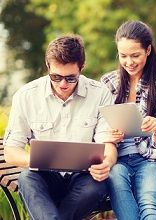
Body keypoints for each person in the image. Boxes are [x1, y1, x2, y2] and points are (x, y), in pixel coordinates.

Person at [3, 35, 117, 220]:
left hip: (84, 176)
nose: (63, 84)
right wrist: (41, 160)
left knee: (98, 184)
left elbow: (108, 143)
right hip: (44, 175)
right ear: (48, 66)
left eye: (71, 78)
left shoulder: (100, 94)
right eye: (56, 77)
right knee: (26, 179)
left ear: (82, 67)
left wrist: (107, 162)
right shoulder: (26, 96)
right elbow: (11, 151)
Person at [101, 20, 156, 220]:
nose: (129, 62)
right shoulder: (108, 83)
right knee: (114, 176)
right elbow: (97, 127)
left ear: (148, 50)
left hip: (154, 161)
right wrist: (107, 136)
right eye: (123, 56)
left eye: (135, 55)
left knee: (149, 204)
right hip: (118, 160)